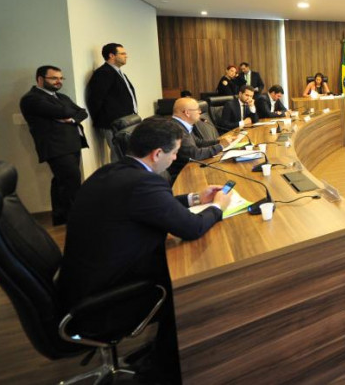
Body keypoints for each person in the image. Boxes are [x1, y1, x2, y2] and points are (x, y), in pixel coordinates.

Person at [58, 117, 231, 384]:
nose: (176, 158)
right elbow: (192, 228)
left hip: (81, 284)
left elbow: (153, 205)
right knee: (191, 285)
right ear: (157, 154)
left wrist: (196, 197)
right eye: (174, 153)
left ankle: (161, 352)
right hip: (105, 301)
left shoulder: (112, 172)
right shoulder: (143, 184)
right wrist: (218, 206)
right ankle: (166, 368)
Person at [19, 65, 89, 225]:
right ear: (40, 79)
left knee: (61, 182)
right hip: (55, 146)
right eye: (53, 78)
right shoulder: (31, 98)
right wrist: (69, 111)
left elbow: (82, 112)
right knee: (71, 180)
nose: (58, 81)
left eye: (60, 78)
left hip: (72, 144)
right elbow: (63, 112)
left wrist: (73, 118)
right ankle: (76, 220)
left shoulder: (61, 97)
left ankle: (61, 218)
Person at [86, 42, 137, 162]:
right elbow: (95, 99)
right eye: (122, 53)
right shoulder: (103, 73)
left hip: (126, 120)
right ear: (111, 55)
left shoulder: (118, 72)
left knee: (127, 152)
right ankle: (118, 174)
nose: (126, 56)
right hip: (114, 122)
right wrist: (104, 120)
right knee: (118, 152)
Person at [167, 97, 224, 181]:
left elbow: (198, 142)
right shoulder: (176, 128)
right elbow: (194, 155)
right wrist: (221, 146)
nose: (200, 112)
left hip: (190, 168)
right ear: (187, 113)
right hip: (182, 175)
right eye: (197, 109)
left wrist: (219, 141)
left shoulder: (181, 124)